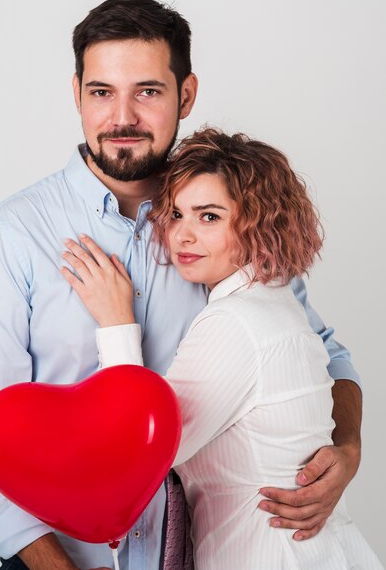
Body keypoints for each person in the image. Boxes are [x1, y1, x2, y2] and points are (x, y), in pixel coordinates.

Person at [0, 0, 362, 570]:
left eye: (147, 91)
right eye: (101, 93)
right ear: (76, 94)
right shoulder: (13, 235)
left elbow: (327, 356)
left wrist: (347, 449)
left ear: (186, 94)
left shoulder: (229, 224)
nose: (122, 118)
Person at [61, 128, 382, 569]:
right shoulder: (275, 300)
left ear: (258, 222)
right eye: (175, 214)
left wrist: (117, 325)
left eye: (208, 217)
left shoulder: (234, 322)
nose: (182, 236)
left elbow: (141, 458)